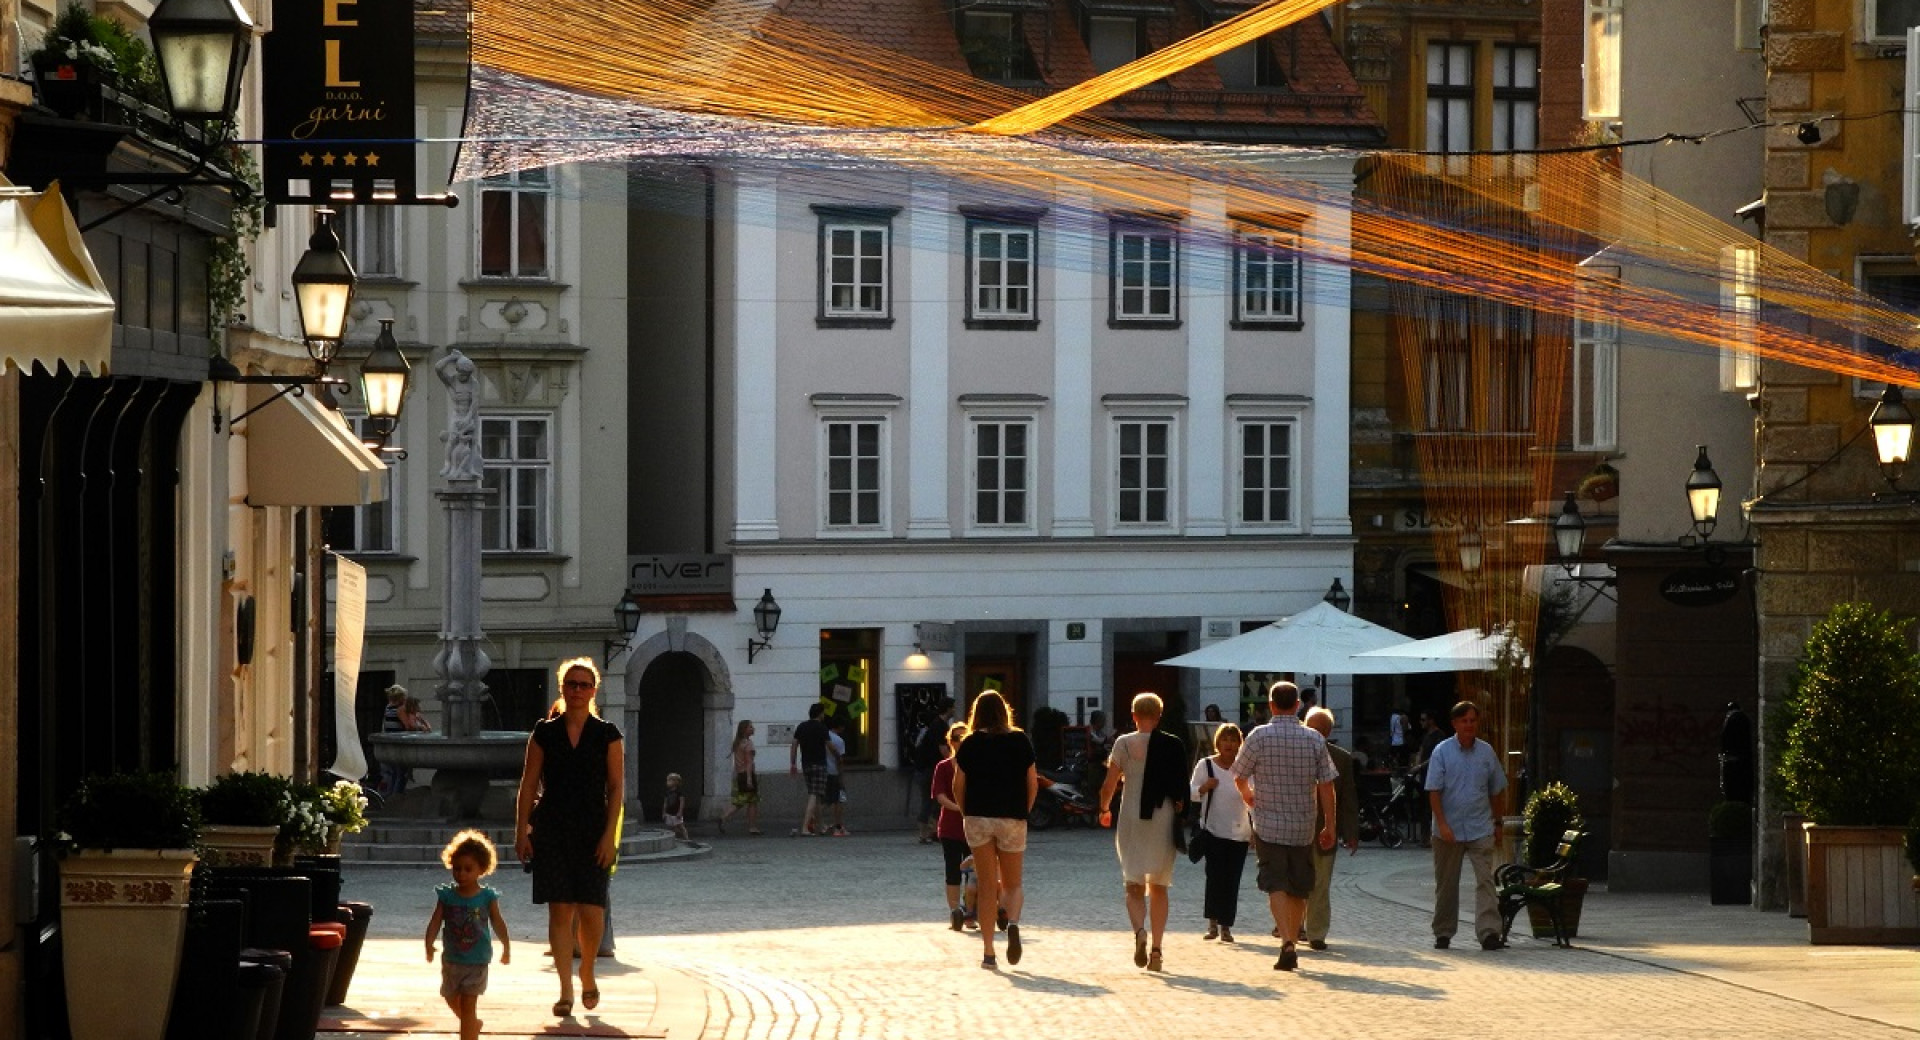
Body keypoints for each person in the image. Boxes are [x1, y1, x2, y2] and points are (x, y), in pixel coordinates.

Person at [514, 657, 624, 1018]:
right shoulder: (544, 732)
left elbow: (617, 787)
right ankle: (565, 989)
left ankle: (588, 970)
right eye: (571, 684)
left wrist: (610, 835)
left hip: (593, 829)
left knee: (592, 911)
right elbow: (528, 784)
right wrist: (522, 831)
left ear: (594, 690)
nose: (577, 691)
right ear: (562, 687)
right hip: (552, 828)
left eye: (584, 685)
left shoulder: (608, 734)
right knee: (559, 910)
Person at [1230, 681, 1336, 973]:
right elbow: (1327, 785)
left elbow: (1238, 774)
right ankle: (1292, 935)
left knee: (1275, 881)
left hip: (1268, 823)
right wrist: (1329, 824)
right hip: (1303, 823)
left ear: (1271, 704)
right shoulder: (1314, 739)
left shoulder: (1258, 737)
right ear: (1298, 705)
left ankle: (1287, 941)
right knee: (1300, 885)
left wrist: (1248, 795)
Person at [1097, 691, 1188, 972]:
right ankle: (1157, 951)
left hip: (1132, 816)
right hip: (1163, 816)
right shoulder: (1173, 744)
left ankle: (1139, 932)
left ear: (1134, 715)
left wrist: (1103, 809)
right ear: (1159, 716)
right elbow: (1182, 788)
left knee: (1133, 884)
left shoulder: (1124, 744)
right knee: (1159, 887)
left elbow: (1109, 784)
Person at [952, 690, 1037, 971]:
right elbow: (1032, 781)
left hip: (978, 817)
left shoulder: (970, 743)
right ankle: (1011, 923)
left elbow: (957, 785)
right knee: (1012, 884)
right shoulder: (1019, 740)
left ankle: (989, 953)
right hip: (1011, 817)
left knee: (987, 886)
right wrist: (1024, 811)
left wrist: (966, 813)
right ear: (1004, 712)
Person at [1425, 699, 1508, 951]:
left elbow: (1497, 790)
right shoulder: (1441, 751)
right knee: (1447, 884)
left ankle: (1489, 933)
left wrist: (1498, 822)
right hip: (1447, 830)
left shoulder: (1486, 752)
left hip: (1479, 826)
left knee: (1485, 880)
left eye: (1473, 720)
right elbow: (1434, 791)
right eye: (1464, 721)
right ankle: (1443, 932)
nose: (1469, 725)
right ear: (1455, 724)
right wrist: (1442, 823)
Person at [425, 829, 512, 1040]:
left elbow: (498, 922)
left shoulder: (487, 897)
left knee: (469, 1004)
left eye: (468, 869)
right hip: (452, 960)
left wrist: (506, 946)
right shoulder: (446, 896)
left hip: (477, 960)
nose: (461, 874)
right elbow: (436, 920)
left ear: (481, 869)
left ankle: (468, 1032)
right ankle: (472, 1024)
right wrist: (428, 943)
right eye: (457, 869)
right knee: (450, 997)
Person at [1302, 707, 1360, 951]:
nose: (1315, 733)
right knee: (1294, 881)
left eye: (1320, 730)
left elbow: (1348, 798)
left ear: (1327, 733)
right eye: (1311, 728)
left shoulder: (1341, 759)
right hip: (1295, 827)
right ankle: (1292, 926)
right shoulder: (1293, 752)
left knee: (1320, 883)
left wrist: (1351, 833)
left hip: (1326, 830)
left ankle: (1316, 932)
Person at [1190, 722, 1253, 944]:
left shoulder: (1245, 768)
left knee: (1232, 880)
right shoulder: (1205, 765)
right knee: (1214, 877)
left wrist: (1254, 829)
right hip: (1213, 830)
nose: (1229, 744)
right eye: (1225, 739)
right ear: (1218, 742)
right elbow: (1190, 791)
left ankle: (1227, 926)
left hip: (1240, 832)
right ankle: (1213, 923)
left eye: (1233, 740)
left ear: (1239, 744)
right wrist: (1204, 787)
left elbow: (1253, 800)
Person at [930, 720, 971, 930]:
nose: (960, 742)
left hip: (974, 827)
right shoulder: (943, 767)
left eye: (965, 738)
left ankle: (972, 911)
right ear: (950, 742)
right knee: (953, 870)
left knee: (974, 871)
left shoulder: (977, 765)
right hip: (950, 828)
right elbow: (940, 796)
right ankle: (955, 911)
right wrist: (959, 808)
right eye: (957, 738)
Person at [435, 350, 484, 481]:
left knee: (472, 443)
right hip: (457, 414)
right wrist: (452, 358)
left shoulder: (474, 384)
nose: (464, 377)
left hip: (470, 415)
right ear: (458, 371)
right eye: (462, 373)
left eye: (467, 374)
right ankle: (448, 465)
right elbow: (438, 368)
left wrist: (468, 418)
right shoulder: (452, 380)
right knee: (452, 440)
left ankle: (472, 468)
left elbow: (475, 402)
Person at [911, 699, 955, 844]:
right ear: (948, 709)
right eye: (953, 707)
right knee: (930, 801)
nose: (955, 710)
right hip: (929, 769)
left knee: (934, 801)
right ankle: (924, 833)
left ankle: (934, 831)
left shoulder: (937, 724)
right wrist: (955, 764)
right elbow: (943, 751)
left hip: (927, 767)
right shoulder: (940, 726)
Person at [789, 703, 830, 837]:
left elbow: (794, 745)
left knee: (816, 795)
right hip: (819, 764)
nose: (824, 715)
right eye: (823, 713)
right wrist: (837, 755)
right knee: (814, 794)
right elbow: (829, 745)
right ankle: (805, 827)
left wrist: (793, 763)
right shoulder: (822, 728)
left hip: (806, 764)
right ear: (820, 714)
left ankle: (821, 825)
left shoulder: (802, 726)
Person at [1409, 710, 1446, 846]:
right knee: (1423, 807)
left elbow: (1435, 757)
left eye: (1424, 720)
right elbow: (1421, 751)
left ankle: (1433, 835)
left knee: (1432, 806)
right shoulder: (1426, 736)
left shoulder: (1439, 736)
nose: (1421, 723)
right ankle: (1425, 836)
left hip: (1433, 775)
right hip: (1424, 775)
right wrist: (1417, 765)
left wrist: (1420, 766)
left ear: (1431, 720)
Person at [720, 719, 761, 835]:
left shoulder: (738, 743)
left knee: (740, 801)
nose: (753, 729)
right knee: (752, 801)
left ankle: (724, 817)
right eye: (750, 727)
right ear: (744, 730)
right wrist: (749, 778)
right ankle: (752, 827)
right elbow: (749, 762)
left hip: (739, 774)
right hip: (747, 774)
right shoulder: (748, 744)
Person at [380, 685, 410, 795]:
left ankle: (389, 797)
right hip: (398, 744)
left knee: (392, 773)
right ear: (400, 698)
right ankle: (396, 798)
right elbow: (407, 725)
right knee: (400, 774)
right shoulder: (399, 709)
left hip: (389, 744)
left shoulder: (388, 707)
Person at [824, 717, 850, 836]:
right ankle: (838, 826)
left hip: (823, 771)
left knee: (823, 799)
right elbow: (840, 760)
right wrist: (842, 777)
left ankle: (819, 823)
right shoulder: (839, 741)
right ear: (840, 726)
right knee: (838, 800)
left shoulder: (824, 736)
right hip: (834, 772)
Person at [661, 773, 689, 841]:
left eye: (669, 780)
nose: (667, 782)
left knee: (681, 826)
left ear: (675, 782)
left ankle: (687, 839)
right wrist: (664, 812)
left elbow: (682, 802)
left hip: (676, 812)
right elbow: (665, 803)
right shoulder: (667, 793)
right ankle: (675, 839)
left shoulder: (679, 792)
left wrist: (680, 811)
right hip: (669, 812)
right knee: (672, 827)